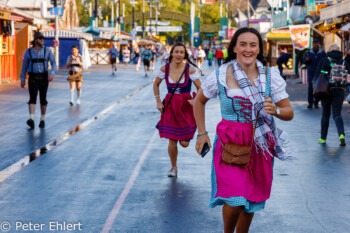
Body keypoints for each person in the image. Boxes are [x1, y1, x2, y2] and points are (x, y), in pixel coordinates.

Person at [193, 27, 294, 233]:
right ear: (235, 48)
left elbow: (289, 112)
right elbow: (198, 101)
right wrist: (202, 133)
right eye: (243, 44)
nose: (248, 49)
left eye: (253, 45)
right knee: (236, 197)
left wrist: (275, 110)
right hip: (230, 143)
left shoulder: (269, 75)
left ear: (259, 49)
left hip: (259, 145)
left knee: (251, 198)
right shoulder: (220, 75)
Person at [153, 42, 203, 177]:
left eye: (182, 52)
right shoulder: (165, 69)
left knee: (185, 143)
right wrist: (158, 101)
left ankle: (187, 135)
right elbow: (156, 84)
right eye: (177, 52)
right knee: (172, 139)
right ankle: (173, 167)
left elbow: (200, 88)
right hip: (170, 106)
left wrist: (195, 100)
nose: (179, 54)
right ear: (172, 53)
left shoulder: (190, 70)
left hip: (186, 106)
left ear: (185, 55)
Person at [313, 43, 350, 146]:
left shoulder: (324, 60)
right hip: (339, 91)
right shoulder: (343, 61)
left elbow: (316, 75)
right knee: (337, 114)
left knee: (325, 114)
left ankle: (323, 138)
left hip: (326, 90)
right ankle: (341, 135)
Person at [20, 31, 57, 129]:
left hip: (44, 77)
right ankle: (31, 119)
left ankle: (42, 119)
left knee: (43, 99)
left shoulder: (47, 50)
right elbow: (24, 67)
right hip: (32, 77)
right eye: (40, 38)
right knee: (32, 98)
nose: (42, 40)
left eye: (43, 38)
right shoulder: (28, 52)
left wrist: (52, 74)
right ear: (36, 40)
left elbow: (53, 63)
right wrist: (22, 79)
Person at [303, 38, 326, 109]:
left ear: (318, 44)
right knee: (310, 87)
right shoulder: (308, 53)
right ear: (312, 44)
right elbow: (303, 61)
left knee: (318, 87)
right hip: (311, 72)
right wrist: (306, 60)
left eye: (317, 43)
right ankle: (310, 103)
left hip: (319, 73)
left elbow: (325, 61)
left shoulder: (322, 53)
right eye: (314, 43)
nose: (315, 44)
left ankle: (316, 102)